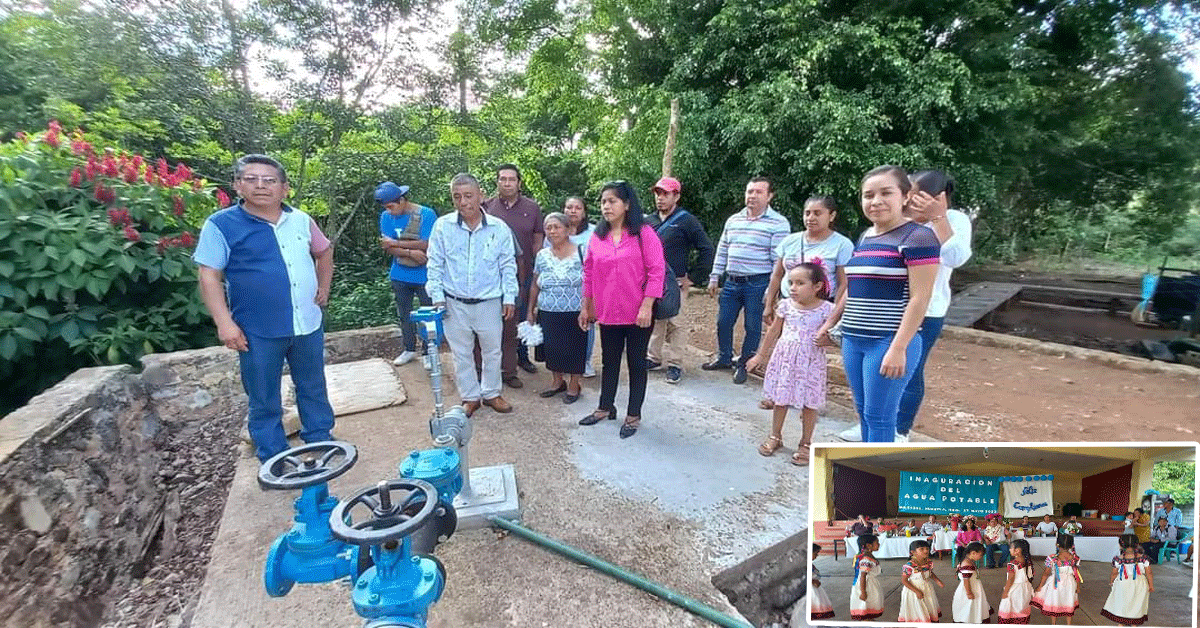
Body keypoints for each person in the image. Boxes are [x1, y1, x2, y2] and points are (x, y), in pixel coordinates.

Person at [194, 154, 335, 463]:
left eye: (270, 180)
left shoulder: (300, 220)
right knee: (263, 396)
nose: (261, 186)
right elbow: (209, 275)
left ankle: (320, 438)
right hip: (257, 329)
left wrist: (323, 286)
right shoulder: (221, 225)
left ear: (284, 189)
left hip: (306, 323)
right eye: (251, 179)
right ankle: (274, 457)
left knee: (312, 386)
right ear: (237, 185)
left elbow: (324, 252)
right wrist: (224, 323)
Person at [818, 166, 939, 442]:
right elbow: (854, 289)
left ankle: (881, 482)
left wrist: (899, 348)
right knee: (864, 414)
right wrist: (831, 323)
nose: (876, 201)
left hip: (887, 342)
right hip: (854, 339)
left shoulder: (918, 237)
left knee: (880, 418)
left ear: (905, 197)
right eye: (868, 195)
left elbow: (920, 298)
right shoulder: (866, 237)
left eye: (886, 193)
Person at [886, 170, 973, 443]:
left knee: (910, 370)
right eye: (908, 193)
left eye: (916, 195)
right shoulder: (898, 219)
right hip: (889, 307)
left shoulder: (954, 220)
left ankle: (900, 430)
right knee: (880, 366)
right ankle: (875, 424)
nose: (909, 199)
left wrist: (938, 218)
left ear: (938, 198)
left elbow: (956, 257)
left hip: (927, 310)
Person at [578, 181, 665, 439]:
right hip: (608, 311)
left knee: (637, 363)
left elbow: (656, 270)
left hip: (638, 311)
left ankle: (633, 414)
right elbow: (589, 271)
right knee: (609, 360)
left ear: (627, 205)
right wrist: (587, 306)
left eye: (612, 201)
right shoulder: (598, 235)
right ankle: (606, 407)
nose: (606, 206)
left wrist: (647, 305)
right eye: (603, 201)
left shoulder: (643, 233)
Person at [427, 173, 518, 417]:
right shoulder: (442, 226)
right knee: (461, 353)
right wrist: (437, 296)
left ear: (481, 196)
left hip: (489, 301)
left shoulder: (499, 228)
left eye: (468, 196)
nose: (463, 202)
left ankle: (491, 393)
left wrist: (509, 297)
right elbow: (434, 263)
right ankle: (470, 396)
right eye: (457, 197)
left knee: (492, 350)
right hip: (453, 301)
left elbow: (507, 265)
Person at [762, 196, 853, 410]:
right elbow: (777, 275)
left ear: (831, 216)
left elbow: (843, 283)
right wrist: (769, 302)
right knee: (781, 347)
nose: (811, 218)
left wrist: (834, 318)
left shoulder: (841, 245)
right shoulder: (790, 241)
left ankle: (806, 399)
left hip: (819, 307)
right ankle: (776, 392)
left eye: (818, 213)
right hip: (789, 303)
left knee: (811, 351)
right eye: (807, 213)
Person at [704, 177, 790, 384]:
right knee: (723, 322)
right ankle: (724, 357)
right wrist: (715, 276)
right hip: (732, 282)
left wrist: (771, 290)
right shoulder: (734, 220)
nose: (752, 196)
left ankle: (744, 363)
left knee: (752, 326)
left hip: (758, 283)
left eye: (758, 192)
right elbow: (723, 249)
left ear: (769, 196)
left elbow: (778, 262)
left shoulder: (778, 223)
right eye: (750, 191)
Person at [747, 263, 834, 466]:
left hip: (811, 362)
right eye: (791, 283)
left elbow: (836, 336)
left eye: (800, 283)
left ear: (817, 286)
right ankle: (775, 436)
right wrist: (760, 355)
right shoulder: (786, 305)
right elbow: (773, 331)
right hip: (785, 359)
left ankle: (806, 443)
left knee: (809, 403)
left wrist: (828, 341)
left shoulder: (827, 310)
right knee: (781, 398)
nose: (793, 288)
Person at [645, 177, 715, 385]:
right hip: (652, 281)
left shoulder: (686, 220)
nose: (660, 198)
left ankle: (675, 363)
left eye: (665, 194)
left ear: (677, 196)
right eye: (658, 194)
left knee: (677, 322)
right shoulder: (649, 221)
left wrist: (693, 278)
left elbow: (706, 249)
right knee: (655, 320)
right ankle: (653, 357)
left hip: (675, 281)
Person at [483, 164, 543, 386]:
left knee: (521, 315)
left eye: (511, 179)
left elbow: (538, 237)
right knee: (496, 319)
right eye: (502, 179)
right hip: (491, 275)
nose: (507, 183)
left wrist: (538, 262)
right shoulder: (486, 207)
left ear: (519, 182)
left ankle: (522, 358)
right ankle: (496, 365)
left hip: (524, 270)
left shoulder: (532, 207)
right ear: (497, 182)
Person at [376, 182, 437, 367]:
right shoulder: (385, 217)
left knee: (428, 314)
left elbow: (428, 244)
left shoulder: (426, 214)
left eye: (391, 206)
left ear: (402, 200)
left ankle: (429, 351)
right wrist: (410, 253)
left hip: (425, 276)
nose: (389, 211)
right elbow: (386, 246)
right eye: (386, 207)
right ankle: (409, 348)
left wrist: (396, 243)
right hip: (400, 274)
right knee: (404, 314)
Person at [527, 213, 586, 403]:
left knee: (574, 348)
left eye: (557, 227)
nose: (552, 231)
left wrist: (589, 308)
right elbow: (535, 284)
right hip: (548, 310)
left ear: (568, 229)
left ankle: (574, 385)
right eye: (548, 228)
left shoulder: (582, 252)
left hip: (575, 310)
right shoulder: (542, 255)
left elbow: (592, 283)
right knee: (551, 348)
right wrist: (530, 310)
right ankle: (557, 382)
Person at [563, 196, 598, 378]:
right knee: (567, 324)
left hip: (587, 285)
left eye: (577, 207)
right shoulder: (556, 231)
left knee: (587, 323)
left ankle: (585, 361)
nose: (573, 211)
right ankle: (567, 361)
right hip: (563, 288)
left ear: (584, 212)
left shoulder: (594, 233)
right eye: (569, 207)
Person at [1101, 534, 1153, 626]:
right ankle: (1134, 624)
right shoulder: (1144, 558)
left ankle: (1121, 623)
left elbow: (1114, 573)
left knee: (1122, 602)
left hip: (1122, 583)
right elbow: (1149, 573)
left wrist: (1112, 581)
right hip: (1139, 584)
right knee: (1136, 603)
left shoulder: (1118, 559)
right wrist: (1151, 585)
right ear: (1137, 544)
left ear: (1121, 545)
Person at [1031, 534, 1082, 624]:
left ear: (1057, 544)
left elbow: (1046, 574)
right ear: (1071, 546)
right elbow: (1076, 574)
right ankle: (1069, 624)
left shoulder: (1052, 558)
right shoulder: (1075, 558)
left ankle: (1054, 624)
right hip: (1070, 583)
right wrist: (1078, 587)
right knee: (1068, 600)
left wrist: (1040, 586)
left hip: (1055, 583)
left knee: (1054, 601)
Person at [897, 539, 944, 623]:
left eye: (927, 548)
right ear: (913, 552)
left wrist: (937, 580)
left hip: (926, 588)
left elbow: (930, 573)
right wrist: (916, 591)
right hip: (913, 590)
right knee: (917, 608)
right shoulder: (909, 566)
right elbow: (904, 580)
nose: (926, 550)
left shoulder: (928, 562)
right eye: (921, 549)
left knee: (928, 605)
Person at [952, 542, 991, 624]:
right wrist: (969, 593)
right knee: (969, 606)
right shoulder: (967, 564)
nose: (981, 557)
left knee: (973, 606)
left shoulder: (967, 561)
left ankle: (974, 619)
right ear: (973, 553)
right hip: (969, 589)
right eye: (980, 555)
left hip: (974, 586)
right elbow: (966, 580)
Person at [998, 538, 1035, 624]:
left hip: (1015, 590)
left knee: (1011, 608)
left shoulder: (1012, 564)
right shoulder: (1028, 561)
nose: (1009, 549)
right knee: (1022, 607)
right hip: (1026, 588)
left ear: (1017, 550)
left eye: (1011, 547)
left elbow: (1010, 580)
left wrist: (1005, 592)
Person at [849, 534, 884, 621]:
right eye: (877, 543)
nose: (879, 544)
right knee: (866, 603)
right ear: (868, 545)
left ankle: (868, 619)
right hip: (867, 585)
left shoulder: (866, 556)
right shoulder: (866, 559)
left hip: (869, 583)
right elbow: (863, 576)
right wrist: (863, 592)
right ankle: (866, 620)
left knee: (869, 604)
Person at [810, 543, 835, 620]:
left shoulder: (811, 564)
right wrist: (812, 581)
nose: (817, 556)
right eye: (815, 553)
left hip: (816, 589)